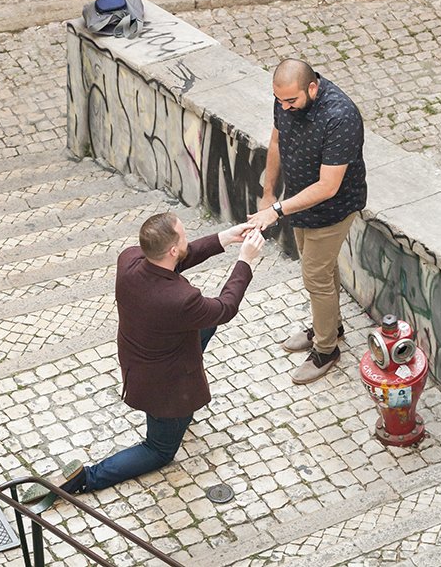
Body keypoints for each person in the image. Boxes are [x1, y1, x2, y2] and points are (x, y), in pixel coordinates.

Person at [27, 211, 264, 505]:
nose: (187, 237)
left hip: (140, 357)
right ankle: (85, 478)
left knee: (205, 324)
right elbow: (225, 307)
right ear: (173, 249)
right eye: (183, 235)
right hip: (167, 387)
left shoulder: (129, 260)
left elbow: (173, 263)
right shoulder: (181, 299)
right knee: (159, 450)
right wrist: (246, 260)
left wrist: (225, 238)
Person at [248, 59, 368, 385]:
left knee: (315, 276)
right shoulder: (285, 101)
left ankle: (326, 349)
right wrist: (269, 193)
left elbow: (328, 187)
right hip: (296, 203)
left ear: (312, 88)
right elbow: (275, 142)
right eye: (280, 101)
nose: (284, 108)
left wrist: (277, 210)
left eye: (291, 101)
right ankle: (330, 325)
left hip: (333, 209)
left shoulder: (340, 117)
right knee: (322, 269)